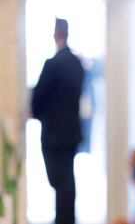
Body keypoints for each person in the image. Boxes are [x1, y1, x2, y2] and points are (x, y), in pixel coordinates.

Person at [31, 18, 84, 224]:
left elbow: (38, 98)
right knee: (67, 179)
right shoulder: (77, 63)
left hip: (53, 134)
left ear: (57, 33)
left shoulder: (53, 64)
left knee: (60, 181)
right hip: (71, 132)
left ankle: (63, 220)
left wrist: (35, 113)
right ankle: (66, 218)